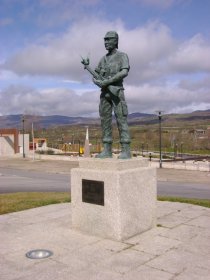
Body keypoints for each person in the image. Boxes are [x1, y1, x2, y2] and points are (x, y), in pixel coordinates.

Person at [93, 31, 131, 159]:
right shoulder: (102, 59)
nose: (106, 42)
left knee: (121, 119)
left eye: (108, 40)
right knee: (105, 121)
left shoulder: (122, 56)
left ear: (116, 41)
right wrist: (97, 82)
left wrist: (108, 81)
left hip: (117, 92)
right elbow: (96, 75)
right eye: (105, 40)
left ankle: (126, 149)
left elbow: (124, 71)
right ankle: (107, 149)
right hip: (104, 94)